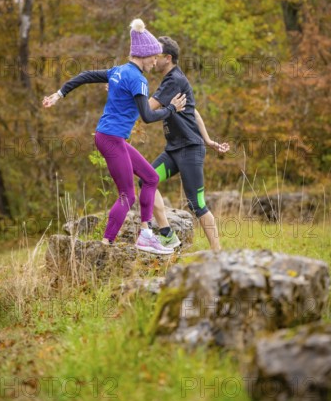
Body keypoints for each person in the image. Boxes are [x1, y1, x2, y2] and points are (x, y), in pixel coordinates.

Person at [42, 19, 186, 255]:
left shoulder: (119, 71)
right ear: (144, 54)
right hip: (111, 139)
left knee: (150, 177)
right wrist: (171, 109)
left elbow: (85, 75)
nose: (155, 61)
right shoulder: (138, 79)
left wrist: (60, 93)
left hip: (110, 137)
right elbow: (148, 116)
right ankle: (107, 243)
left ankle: (146, 233)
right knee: (127, 195)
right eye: (153, 56)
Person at [145, 36, 230, 251]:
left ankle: (218, 253)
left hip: (190, 149)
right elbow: (195, 111)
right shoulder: (170, 81)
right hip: (174, 149)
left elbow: (147, 108)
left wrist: (121, 92)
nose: (153, 58)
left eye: (157, 55)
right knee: (148, 180)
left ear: (168, 58)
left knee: (196, 204)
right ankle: (166, 233)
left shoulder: (174, 79)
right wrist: (209, 140)